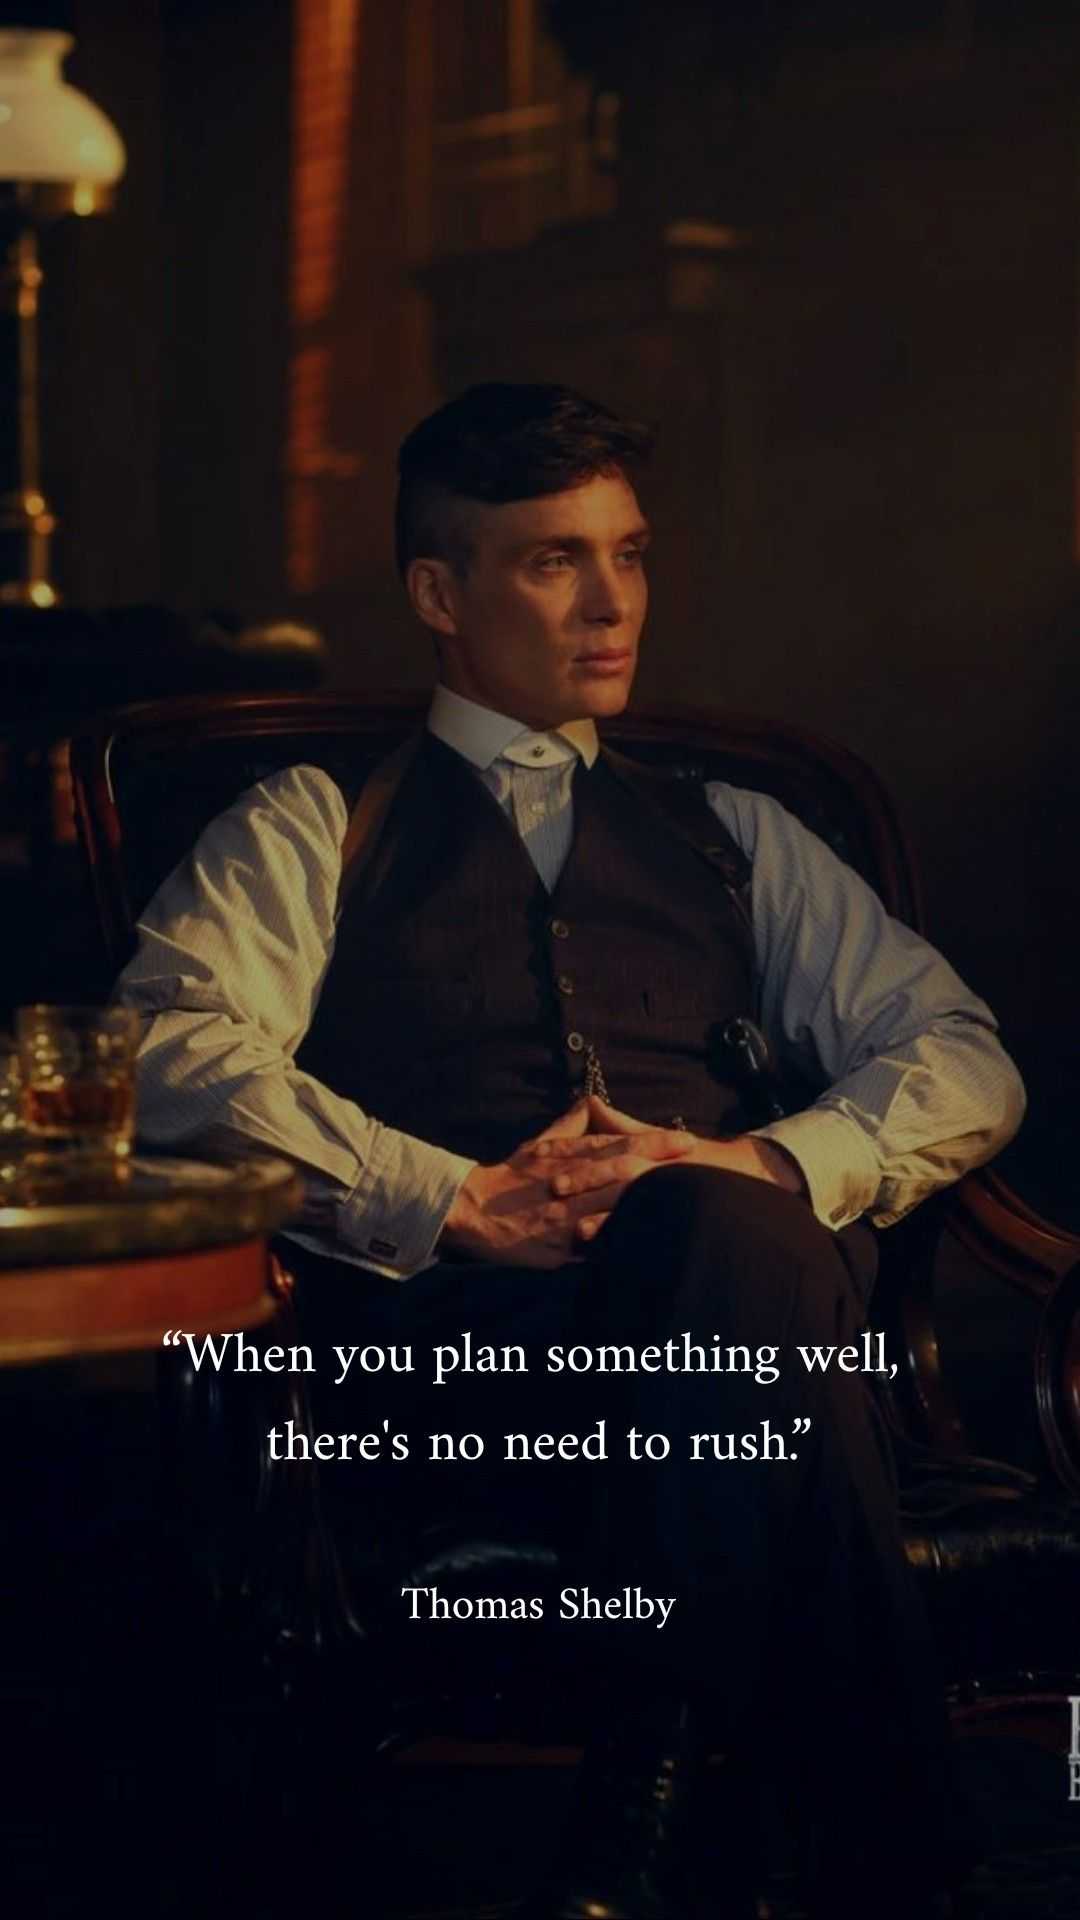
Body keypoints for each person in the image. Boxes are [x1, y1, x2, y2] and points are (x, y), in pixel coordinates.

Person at [116, 383, 1025, 1920]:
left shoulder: (735, 832)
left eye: (630, 553)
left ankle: (644, 1801)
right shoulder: (314, 820)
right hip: (487, 1360)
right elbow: (169, 1049)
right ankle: (894, 1861)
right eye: (554, 561)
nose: (613, 604)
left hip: (740, 1315)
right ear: (438, 594)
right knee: (761, 1317)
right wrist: (450, 1198)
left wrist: (770, 1166)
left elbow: (961, 1055)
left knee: (723, 1230)